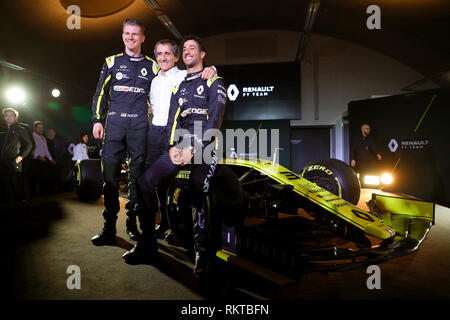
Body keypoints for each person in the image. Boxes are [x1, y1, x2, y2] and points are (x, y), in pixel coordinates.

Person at [123, 35, 227, 280]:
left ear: (203, 54)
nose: (188, 51)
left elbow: (215, 119)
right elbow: (173, 120)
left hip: (206, 144)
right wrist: (173, 146)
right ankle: (149, 242)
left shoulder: (214, 79)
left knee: (199, 188)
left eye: (193, 48)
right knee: (145, 182)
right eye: (186, 48)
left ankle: (203, 252)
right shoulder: (179, 85)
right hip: (180, 143)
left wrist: (196, 146)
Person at [90, 18, 160, 244]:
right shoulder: (111, 61)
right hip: (114, 126)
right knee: (109, 179)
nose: (130, 37)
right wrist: (97, 120)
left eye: (135, 34)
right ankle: (109, 227)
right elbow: (100, 93)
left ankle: (132, 225)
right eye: (127, 33)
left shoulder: (153, 65)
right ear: (123, 36)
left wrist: (208, 68)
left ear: (142, 38)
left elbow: (172, 83)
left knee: (137, 180)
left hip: (139, 127)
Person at [148, 39, 216, 239]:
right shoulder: (153, 80)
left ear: (176, 57)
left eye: (167, 53)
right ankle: (164, 222)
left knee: (179, 181)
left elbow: (202, 70)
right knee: (159, 183)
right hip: (155, 134)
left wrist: (212, 68)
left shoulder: (183, 75)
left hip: (178, 133)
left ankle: (183, 229)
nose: (163, 58)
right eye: (159, 54)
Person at [0, 107, 33, 202]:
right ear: (4, 117)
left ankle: (21, 206)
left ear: (15, 117)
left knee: (16, 184)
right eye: (7, 115)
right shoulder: (2, 130)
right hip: (2, 161)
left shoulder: (20, 129)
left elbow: (29, 144)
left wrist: (21, 157)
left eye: (11, 115)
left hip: (14, 160)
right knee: (5, 185)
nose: (9, 117)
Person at [31, 121, 57, 196]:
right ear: (34, 128)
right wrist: (38, 156)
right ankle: (34, 198)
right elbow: (30, 150)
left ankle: (42, 197)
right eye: (39, 128)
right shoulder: (31, 136)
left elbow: (46, 150)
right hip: (34, 161)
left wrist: (51, 159)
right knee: (34, 181)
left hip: (43, 161)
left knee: (43, 179)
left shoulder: (43, 138)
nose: (40, 129)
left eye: (41, 128)